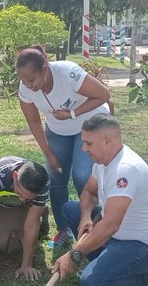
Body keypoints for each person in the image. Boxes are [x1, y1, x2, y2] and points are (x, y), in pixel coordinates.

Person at [51, 114, 148, 286]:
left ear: (107, 141)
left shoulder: (125, 169)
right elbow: (89, 191)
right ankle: (105, 263)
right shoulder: (103, 163)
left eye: (88, 143)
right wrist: (86, 217)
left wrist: (74, 254)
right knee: (71, 210)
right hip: (121, 232)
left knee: (92, 283)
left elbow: (111, 225)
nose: (83, 149)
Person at [15, 45, 113, 242]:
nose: (27, 85)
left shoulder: (67, 73)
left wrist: (72, 114)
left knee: (82, 175)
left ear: (44, 69)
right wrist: (48, 153)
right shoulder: (25, 87)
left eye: (31, 80)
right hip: (58, 131)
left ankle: (93, 226)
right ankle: (64, 230)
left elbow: (104, 94)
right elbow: (34, 122)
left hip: (89, 125)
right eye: (23, 80)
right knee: (55, 178)